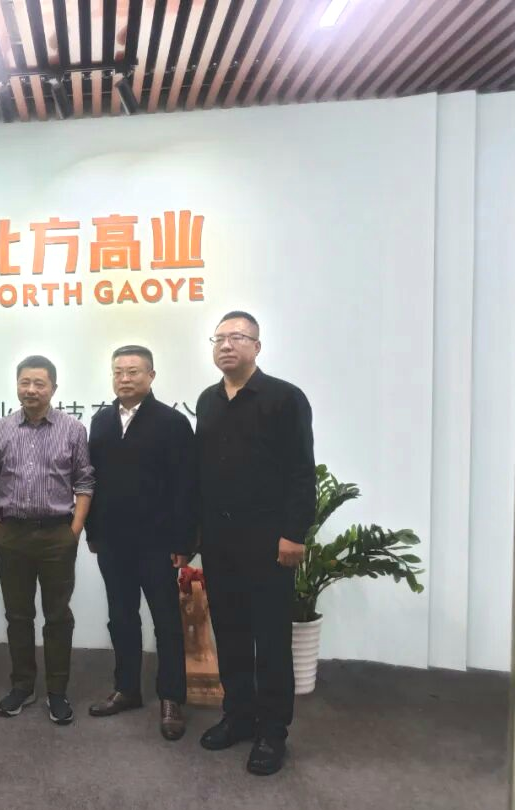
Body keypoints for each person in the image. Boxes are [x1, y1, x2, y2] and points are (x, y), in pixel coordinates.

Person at [195, 311, 315, 776]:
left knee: (271, 637)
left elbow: (301, 471)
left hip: (268, 541)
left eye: (237, 337)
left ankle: (273, 731)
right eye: (219, 338)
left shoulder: (285, 398)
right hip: (219, 540)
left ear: (257, 347)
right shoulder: (207, 401)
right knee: (230, 633)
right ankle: (239, 715)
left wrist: (294, 534)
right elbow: (202, 472)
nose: (226, 345)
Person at [86, 345, 197, 741]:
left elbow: (186, 486)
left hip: (158, 542)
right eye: (118, 371)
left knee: (166, 621)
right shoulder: (100, 420)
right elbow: (92, 480)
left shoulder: (172, 422)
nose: (125, 378)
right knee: (121, 617)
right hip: (113, 541)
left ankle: (172, 698)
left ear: (151, 376)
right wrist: (93, 532)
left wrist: (184, 541)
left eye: (133, 371)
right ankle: (127, 688)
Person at [0, 355, 94, 725]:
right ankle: (23, 685)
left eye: (39, 383)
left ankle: (57, 690)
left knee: (58, 615)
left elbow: (84, 481)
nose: (30, 390)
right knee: (18, 615)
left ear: (53, 388)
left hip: (57, 534)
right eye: (24, 382)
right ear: (17, 385)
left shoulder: (73, 429)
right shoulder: (1, 429)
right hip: (11, 534)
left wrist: (74, 531)